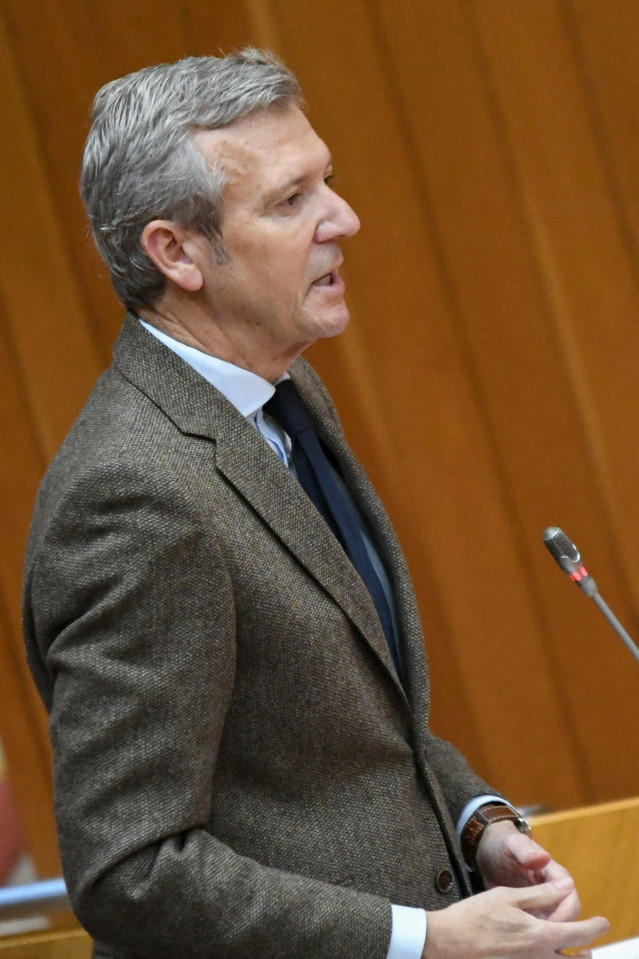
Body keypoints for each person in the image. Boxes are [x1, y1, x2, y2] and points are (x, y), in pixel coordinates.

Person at [22, 49, 608, 959]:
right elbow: (130, 869)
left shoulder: (284, 396)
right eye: (291, 200)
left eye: (326, 181)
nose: (345, 217)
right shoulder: (132, 494)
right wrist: (421, 939)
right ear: (176, 253)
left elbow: (341, 731)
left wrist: (475, 821)